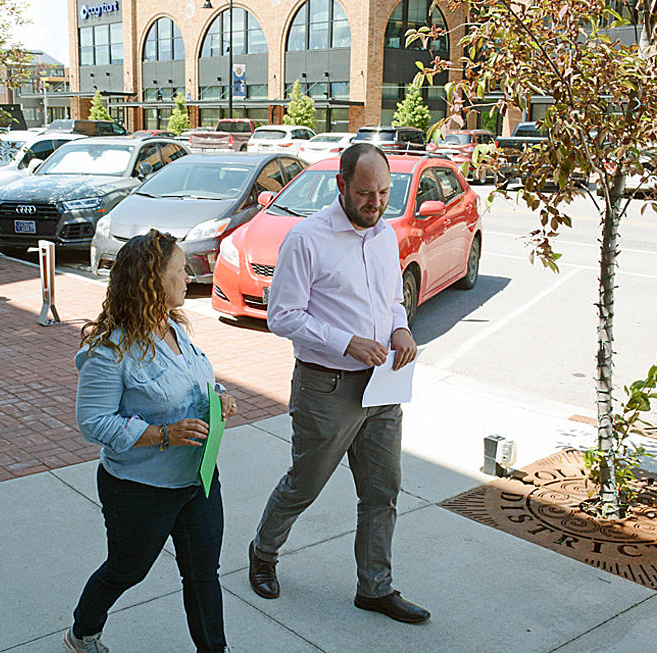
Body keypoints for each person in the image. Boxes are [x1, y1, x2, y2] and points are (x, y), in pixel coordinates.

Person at [248, 143, 429, 624]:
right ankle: (263, 553)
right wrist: (344, 342)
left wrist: (400, 328)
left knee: (382, 492)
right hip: (326, 388)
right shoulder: (306, 239)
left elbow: (392, 299)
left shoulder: (386, 235)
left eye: (385, 192)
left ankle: (375, 588)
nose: (377, 203)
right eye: (367, 193)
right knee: (304, 486)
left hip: (382, 386)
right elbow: (281, 316)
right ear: (342, 186)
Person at [67, 229, 237, 653]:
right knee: (127, 570)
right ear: (151, 281)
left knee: (202, 575)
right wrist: (162, 434)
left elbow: (190, 389)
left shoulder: (175, 329)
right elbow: (93, 422)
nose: (189, 276)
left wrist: (217, 399)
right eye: (179, 270)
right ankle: (83, 632)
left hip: (196, 480)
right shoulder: (109, 351)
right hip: (140, 490)